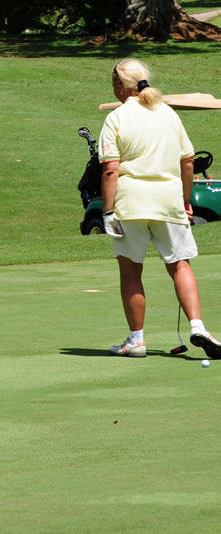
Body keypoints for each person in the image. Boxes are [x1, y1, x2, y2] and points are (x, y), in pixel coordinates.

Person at [98, 58, 221, 358]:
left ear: (118, 85)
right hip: (168, 201)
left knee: (130, 271)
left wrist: (107, 212)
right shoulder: (167, 113)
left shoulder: (116, 118)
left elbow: (110, 170)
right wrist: (186, 202)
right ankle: (197, 326)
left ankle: (136, 340)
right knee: (180, 264)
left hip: (131, 204)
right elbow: (188, 161)